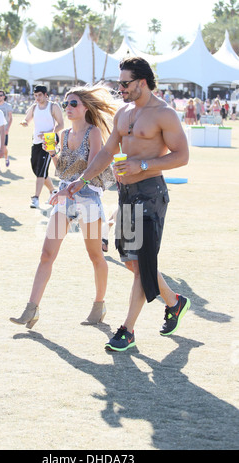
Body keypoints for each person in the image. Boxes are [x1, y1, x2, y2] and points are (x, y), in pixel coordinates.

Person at [67, 57, 191, 352]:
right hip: (126, 196)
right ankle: (174, 302)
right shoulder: (123, 113)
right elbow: (108, 151)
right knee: (134, 263)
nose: (119, 88)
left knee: (144, 261)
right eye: (119, 82)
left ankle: (127, 330)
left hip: (151, 194)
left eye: (125, 83)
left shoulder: (164, 114)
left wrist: (143, 164)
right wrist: (82, 180)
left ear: (142, 83)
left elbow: (182, 156)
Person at [10, 84, 117, 329]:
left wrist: (68, 189)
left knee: (95, 256)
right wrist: (52, 152)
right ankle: (31, 309)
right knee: (47, 254)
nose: (68, 107)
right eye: (66, 103)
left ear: (85, 107)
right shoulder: (64, 135)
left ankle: (99, 305)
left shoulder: (93, 133)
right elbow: (61, 170)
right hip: (66, 196)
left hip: (87, 196)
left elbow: (92, 170)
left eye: (73, 104)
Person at [20, 85, 64, 208]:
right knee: (36, 168)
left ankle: (35, 198)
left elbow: (61, 124)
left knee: (41, 170)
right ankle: (53, 191)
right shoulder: (34, 107)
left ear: (46, 95)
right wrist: (24, 123)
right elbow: (27, 120)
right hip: (36, 141)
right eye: (35, 95)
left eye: (40, 95)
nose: (37, 98)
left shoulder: (53, 106)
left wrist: (48, 134)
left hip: (49, 140)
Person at [0, 90, 13, 167]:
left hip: (4, 130)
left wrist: (7, 128)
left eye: (1, 95)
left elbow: (10, 118)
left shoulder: (7, 106)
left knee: (4, 147)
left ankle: (6, 158)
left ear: (4, 96)